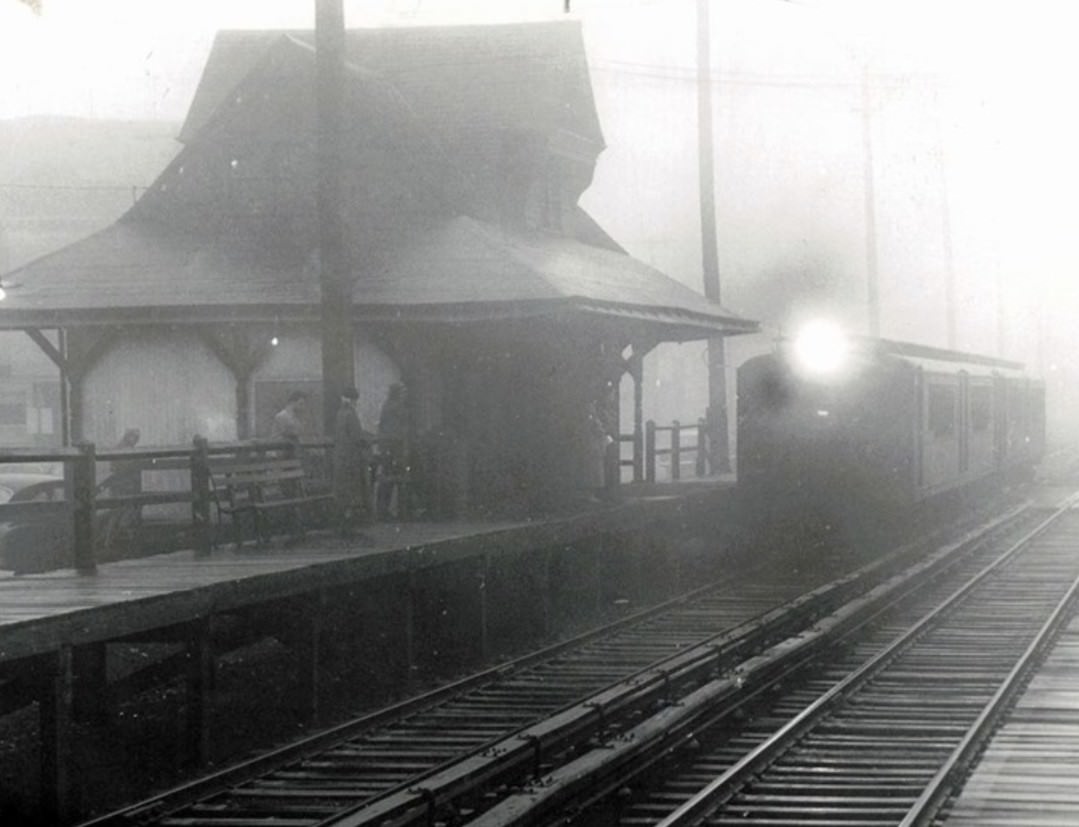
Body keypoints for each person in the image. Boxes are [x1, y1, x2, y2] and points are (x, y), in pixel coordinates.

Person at [333, 386, 375, 540]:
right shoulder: (351, 414)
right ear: (353, 400)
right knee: (352, 491)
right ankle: (348, 526)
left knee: (343, 492)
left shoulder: (339, 413)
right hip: (351, 459)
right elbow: (358, 436)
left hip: (340, 457)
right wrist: (369, 440)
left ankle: (342, 525)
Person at [376, 383, 408, 519]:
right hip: (394, 447)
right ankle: (395, 510)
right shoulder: (397, 408)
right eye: (403, 392)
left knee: (387, 478)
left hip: (387, 447)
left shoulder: (386, 406)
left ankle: (383, 509)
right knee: (395, 479)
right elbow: (401, 428)